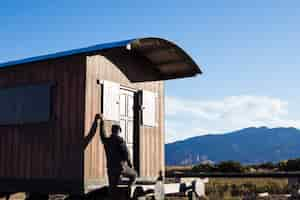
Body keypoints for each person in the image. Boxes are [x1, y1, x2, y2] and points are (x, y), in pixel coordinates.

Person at [95, 114, 137, 194]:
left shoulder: (106, 141)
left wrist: (101, 122)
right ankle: (128, 191)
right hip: (121, 168)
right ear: (118, 131)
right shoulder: (120, 141)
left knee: (112, 188)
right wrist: (130, 164)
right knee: (134, 175)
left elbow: (102, 134)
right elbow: (126, 154)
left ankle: (117, 188)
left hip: (110, 168)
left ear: (112, 131)